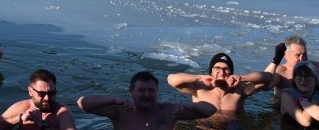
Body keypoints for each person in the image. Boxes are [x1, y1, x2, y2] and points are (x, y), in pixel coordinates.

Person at [78, 70, 216, 129]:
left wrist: (192, 107)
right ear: (131, 91)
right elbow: (83, 103)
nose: (147, 95)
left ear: (157, 92)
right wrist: (113, 100)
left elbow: (211, 110)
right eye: (141, 91)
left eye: (151, 90)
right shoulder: (120, 110)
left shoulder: (169, 110)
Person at [167, 52, 272, 113]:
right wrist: (199, 77)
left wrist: (242, 78)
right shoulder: (199, 89)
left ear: (231, 72)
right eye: (217, 68)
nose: (221, 72)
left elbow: (268, 78)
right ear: (211, 71)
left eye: (226, 69)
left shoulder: (240, 90)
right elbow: (171, 79)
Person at [0, 68, 76, 129]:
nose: (47, 98)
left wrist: (42, 125)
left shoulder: (62, 112)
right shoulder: (21, 107)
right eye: (41, 93)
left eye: (51, 93)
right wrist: (19, 119)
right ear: (30, 91)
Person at [279, 61, 319, 128]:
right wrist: (303, 100)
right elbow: (305, 121)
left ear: (315, 79)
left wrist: (310, 100)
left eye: (308, 75)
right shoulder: (287, 95)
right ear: (294, 79)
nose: (303, 79)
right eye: (299, 76)